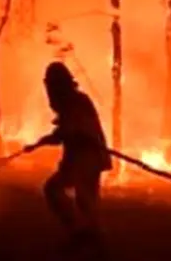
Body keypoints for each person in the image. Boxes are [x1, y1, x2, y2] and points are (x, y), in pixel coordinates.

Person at [24, 62, 113, 249]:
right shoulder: (70, 103)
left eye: (51, 85)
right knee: (58, 191)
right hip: (80, 159)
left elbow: (70, 131)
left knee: (84, 199)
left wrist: (48, 139)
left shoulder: (77, 102)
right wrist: (42, 141)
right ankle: (82, 234)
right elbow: (65, 132)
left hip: (89, 158)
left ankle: (92, 239)